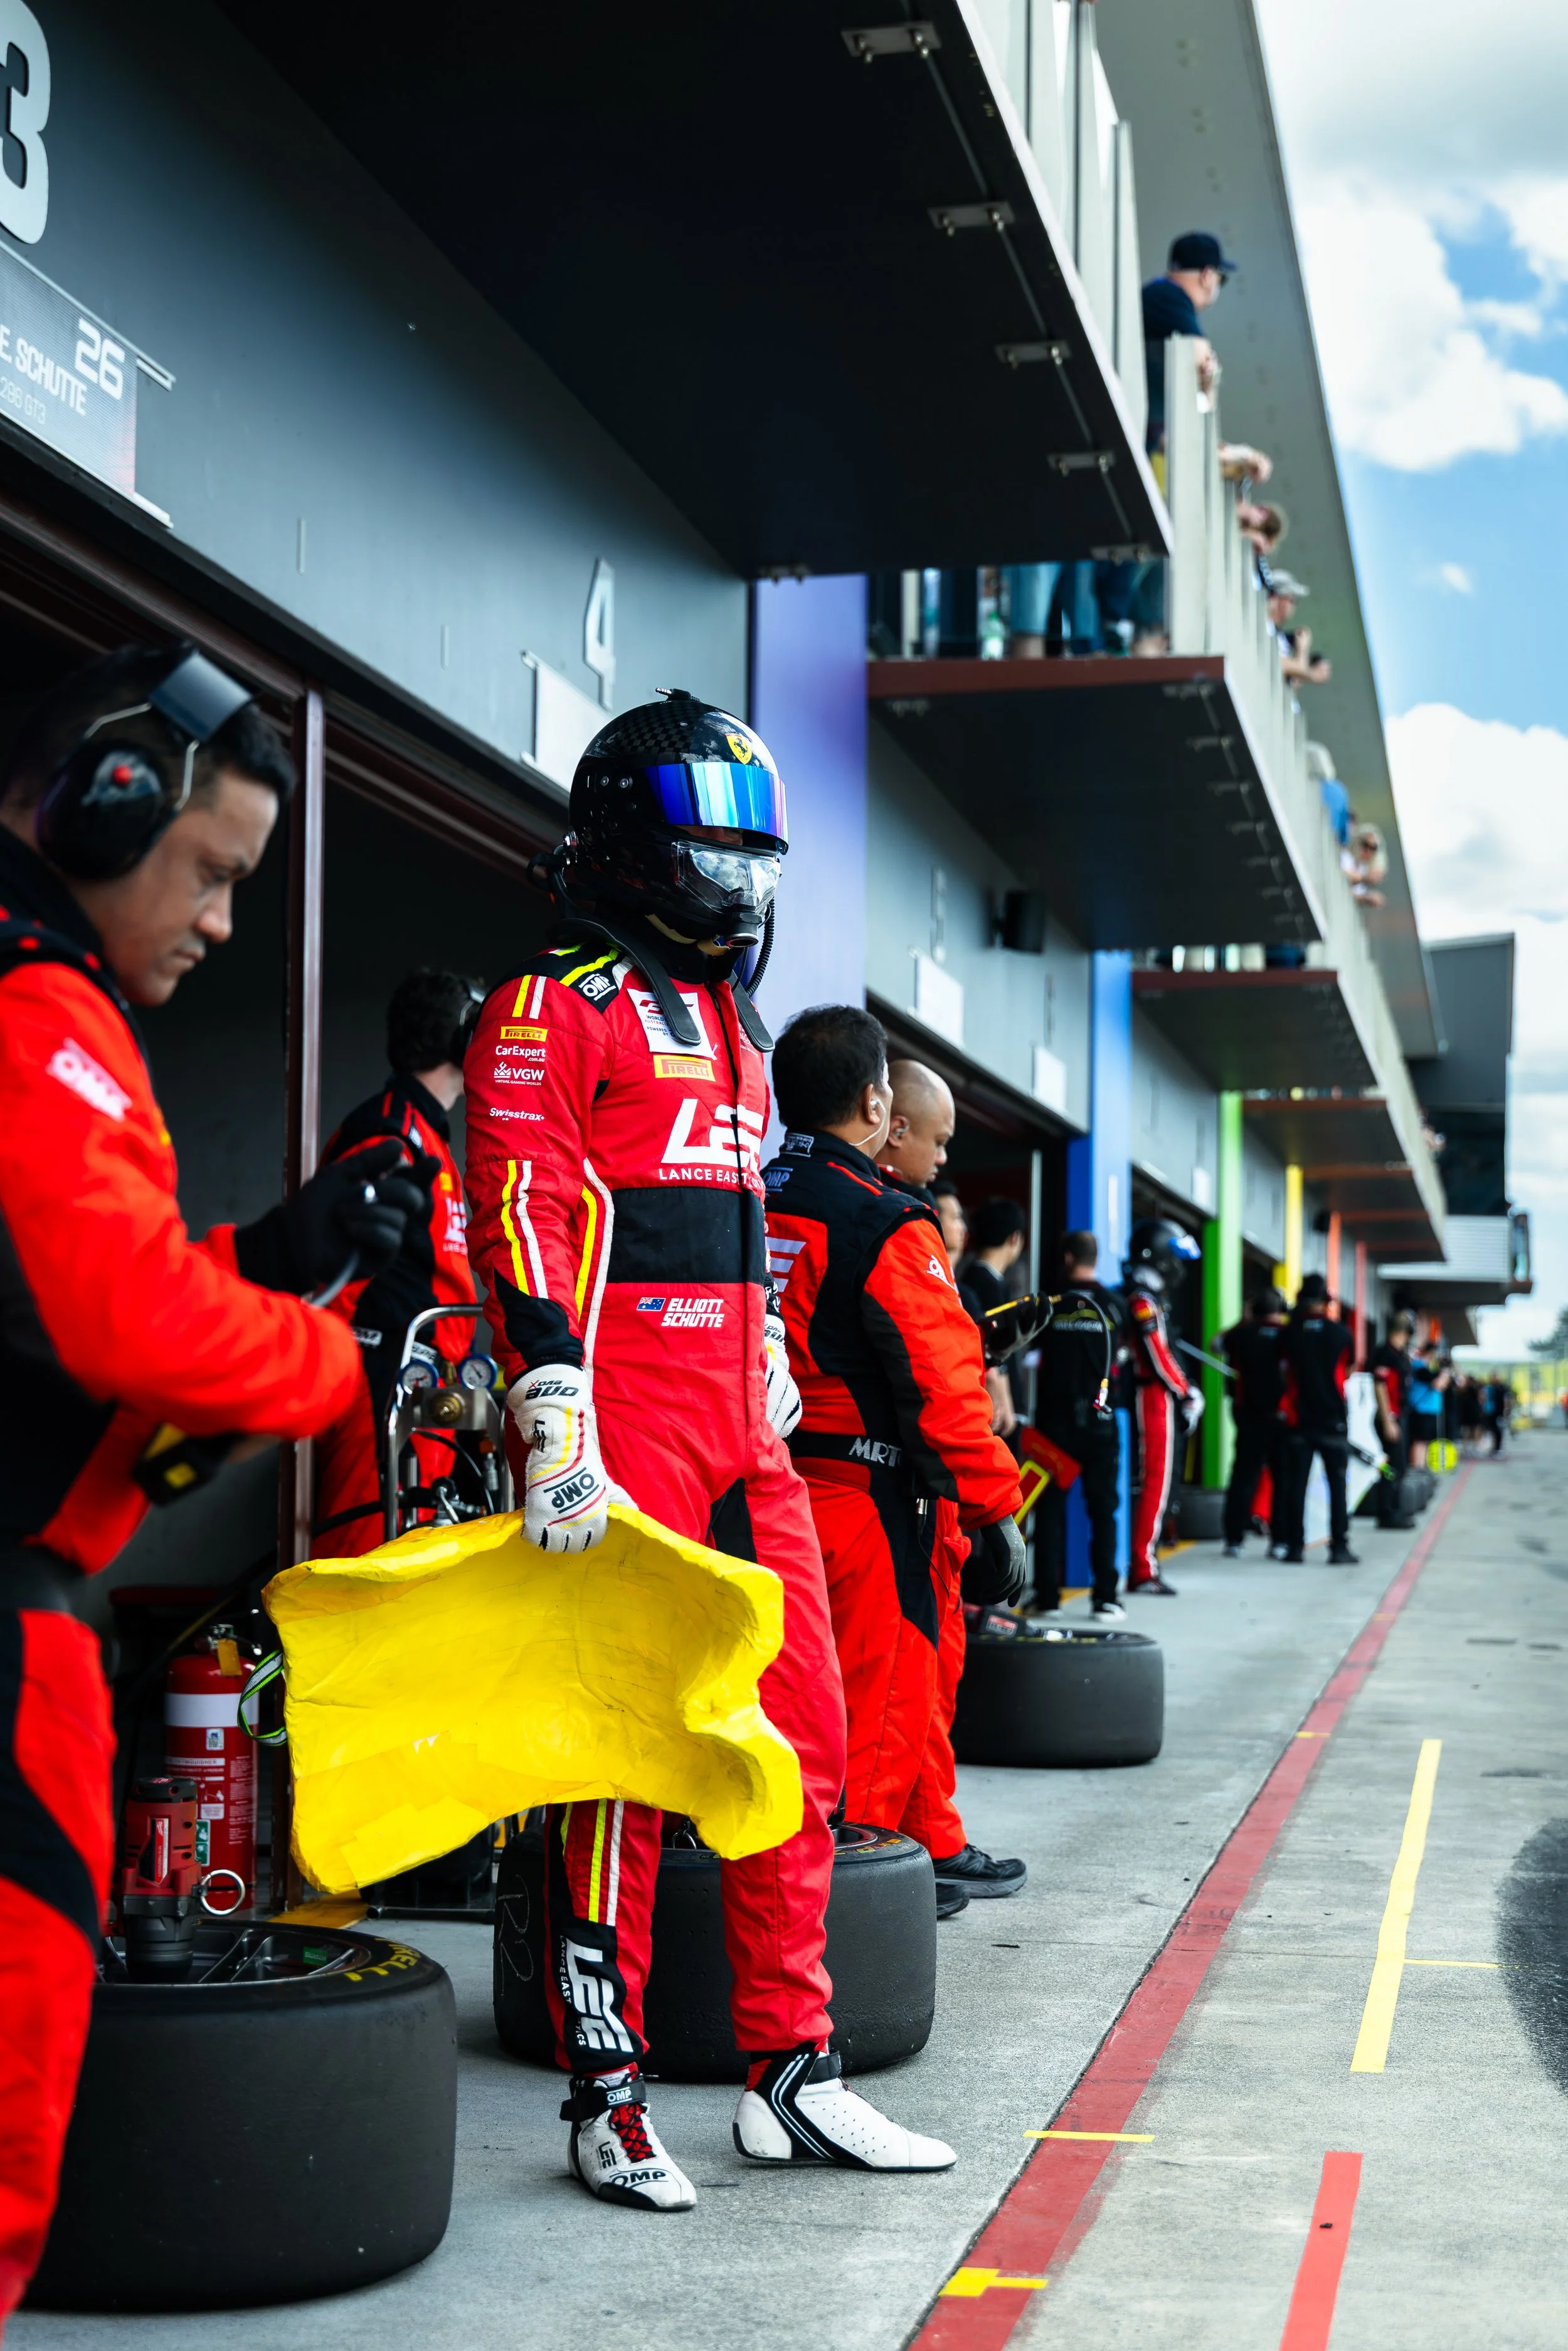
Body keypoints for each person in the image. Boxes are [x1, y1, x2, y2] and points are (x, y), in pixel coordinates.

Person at [464, 691, 954, 2212]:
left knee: (799, 1742)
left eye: (758, 852)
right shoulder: (553, 1003)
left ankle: (790, 2072)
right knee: (622, 1758)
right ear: (634, 848)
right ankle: (606, 2096)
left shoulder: (740, 1030)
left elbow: (737, 1233)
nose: (742, 882)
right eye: (714, 848)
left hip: (750, 1441)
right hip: (615, 1433)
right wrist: (550, 1408)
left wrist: (758, 1358)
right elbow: (521, 1204)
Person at [0, 643, 433, 2323]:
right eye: (215, 872)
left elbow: (59, 1315)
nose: (224, 921)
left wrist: (275, 1255)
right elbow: (128, 1327)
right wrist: (338, 1363)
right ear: (103, 810)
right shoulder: (39, 1009)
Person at [765, 1009, 1027, 1913]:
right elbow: (948, 1395)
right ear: (879, 1103)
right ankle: (862, 1900)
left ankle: (925, 1846)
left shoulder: (744, 1197)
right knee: (872, 1707)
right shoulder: (884, 1222)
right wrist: (999, 1508)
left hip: (760, 1485)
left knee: (861, 1691)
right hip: (868, 1499)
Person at [312, 969, 484, 1555]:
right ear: (461, 1041)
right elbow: (334, 1266)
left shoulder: (428, 1135)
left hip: (424, 1376)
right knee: (362, 1558)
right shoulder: (391, 1131)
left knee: (411, 1557)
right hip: (381, 1374)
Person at [1033, 1231, 1126, 1619]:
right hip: (1102, 1423)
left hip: (1054, 1426)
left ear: (1068, 1258)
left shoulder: (1049, 1304)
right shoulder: (1114, 1306)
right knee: (1104, 1511)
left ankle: (1047, 1598)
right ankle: (1105, 1597)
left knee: (1050, 1509)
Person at [1123, 1219, 1204, 1596]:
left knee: (1156, 1482)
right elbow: (1158, 1355)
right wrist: (1187, 1392)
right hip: (1151, 1399)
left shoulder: (1147, 1298)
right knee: (1155, 1482)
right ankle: (1143, 1567)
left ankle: (1143, 1561)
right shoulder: (1142, 1300)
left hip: (1153, 1396)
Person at [1277, 1275, 1357, 1563]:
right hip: (1332, 1418)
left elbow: (1284, 1372)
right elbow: (1346, 1372)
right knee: (1337, 1485)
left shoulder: (1289, 1333)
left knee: (1295, 1485)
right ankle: (1339, 1548)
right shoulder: (1342, 1334)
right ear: (1326, 1302)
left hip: (1299, 1419)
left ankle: (1295, 1547)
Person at [1142, 230, 1236, 456]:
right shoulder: (1168, 293)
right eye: (1222, 279)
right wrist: (1209, 381)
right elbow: (1201, 361)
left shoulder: (1162, 294)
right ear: (1208, 275)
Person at [1217, 1288, 1288, 1556]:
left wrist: (1243, 1319)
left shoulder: (1241, 1334)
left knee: (1242, 1477)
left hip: (1248, 1415)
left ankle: (1234, 1540)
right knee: (1282, 1480)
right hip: (1280, 1418)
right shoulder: (1287, 1335)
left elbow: (1216, 1344)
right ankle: (1279, 1541)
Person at [959, 1197, 1029, 1440]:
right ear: (1014, 1238)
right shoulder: (984, 1282)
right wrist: (1007, 1403)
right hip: (998, 1412)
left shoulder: (976, 1278)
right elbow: (993, 1348)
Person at [1370, 1310, 1417, 1529]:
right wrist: (1388, 1419)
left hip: (1399, 1416)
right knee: (1393, 1466)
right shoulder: (1385, 1354)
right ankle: (1387, 1513)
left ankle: (1394, 1510)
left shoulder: (1400, 1355)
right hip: (1390, 1417)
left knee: (1398, 1466)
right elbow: (1380, 1386)